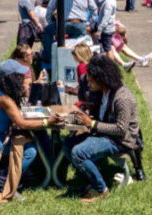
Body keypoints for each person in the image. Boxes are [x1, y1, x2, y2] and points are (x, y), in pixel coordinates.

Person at [60, 54, 141, 203]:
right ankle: (91, 179)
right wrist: (82, 111)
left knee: (78, 152)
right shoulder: (103, 91)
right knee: (67, 144)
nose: (88, 84)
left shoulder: (122, 98)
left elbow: (121, 129)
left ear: (101, 79)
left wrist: (92, 124)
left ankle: (100, 189)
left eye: (91, 80)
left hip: (119, 141)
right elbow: (101, 114)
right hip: (104, 135)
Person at [0, 59, 62, 190]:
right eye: (19, 77)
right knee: (29, 151)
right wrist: (47, 122)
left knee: (29, 144)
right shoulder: (4, 99)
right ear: (11, 78)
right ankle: (5, 181)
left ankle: (6, 175)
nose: (22, 79)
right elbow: (22, 123)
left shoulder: (3, 93)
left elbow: (18, 114)